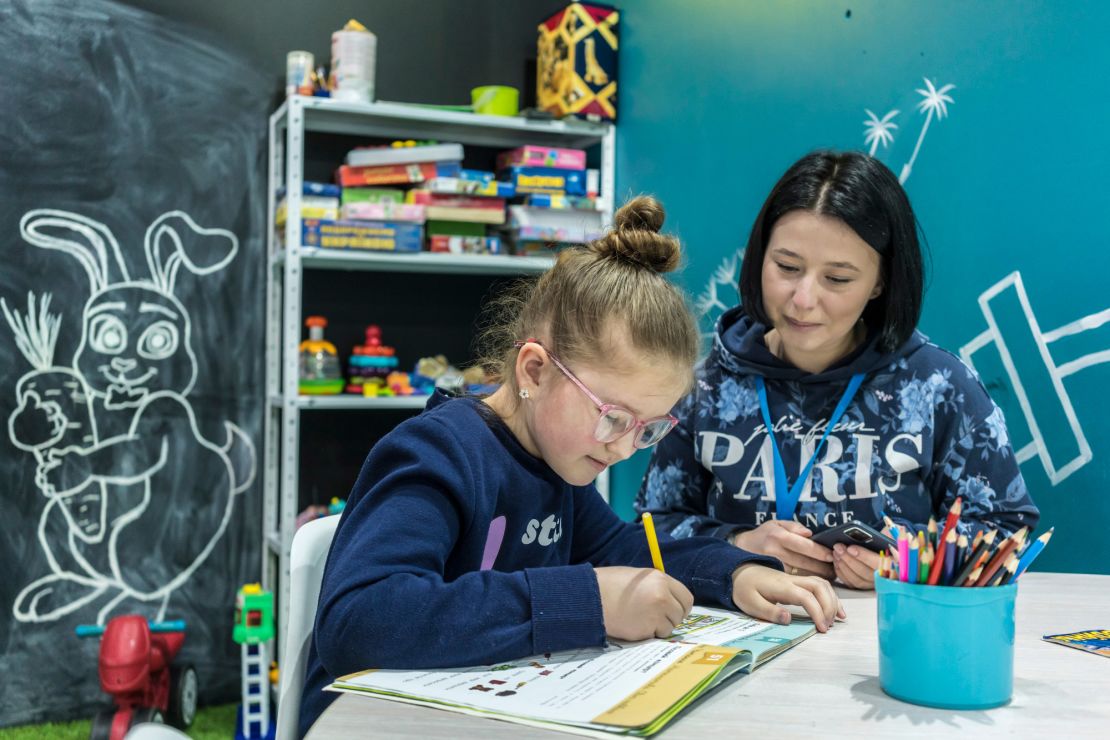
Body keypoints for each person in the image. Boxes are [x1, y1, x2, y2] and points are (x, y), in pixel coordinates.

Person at [298, 196, 843, 737]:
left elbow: (626, 552)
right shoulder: (438, 454)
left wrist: (732, 571)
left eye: (649, 428)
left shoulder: (556, 461)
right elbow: (362, 620)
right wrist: (589, 602)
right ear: (534, 371)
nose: (626, 448)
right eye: (613, 417)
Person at [636, 150, 1039, 591]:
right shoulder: (704, 384)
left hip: (881, 638)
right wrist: (736, 543)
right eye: (787, 267)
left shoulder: (937, 386)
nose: (803, 299)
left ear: (880, 282)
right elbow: (647, 531)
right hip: (742, 631)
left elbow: (1005, 531)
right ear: (759, 256)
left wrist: (903, 563)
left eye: (838, 279)